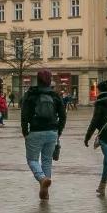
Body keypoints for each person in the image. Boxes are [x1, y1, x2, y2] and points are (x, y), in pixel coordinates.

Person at [21, 69, 67, 200]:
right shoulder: (55, 95)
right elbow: (63, 115)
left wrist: (25, 131)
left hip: (35, 131)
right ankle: (45, 192)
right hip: (52, 132)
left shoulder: (31, 94)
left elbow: (24, 115)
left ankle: (42, 179)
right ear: (49, 80)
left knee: (32, 160)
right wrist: (59, 131)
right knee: (47, 161)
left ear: (38, 80)